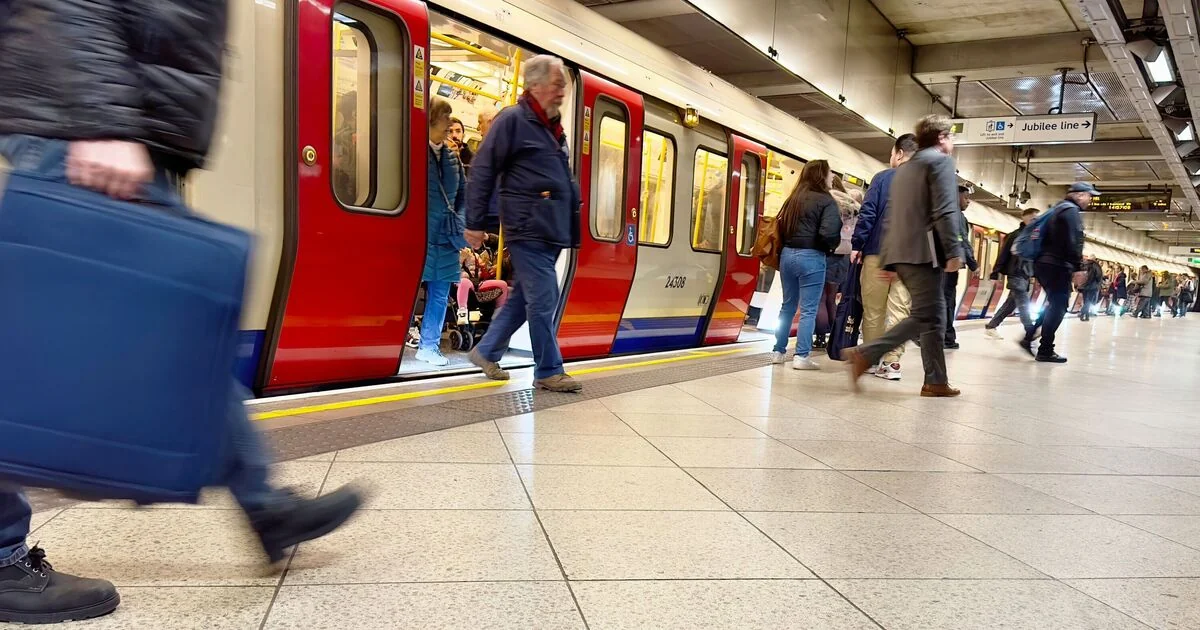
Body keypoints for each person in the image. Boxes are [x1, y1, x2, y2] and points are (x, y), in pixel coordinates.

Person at [0, 0, 362, 623]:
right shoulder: (94, 121)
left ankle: (265, 505)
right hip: (85, 118)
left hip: (116, 118)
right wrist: (100, 119)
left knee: (180, 336)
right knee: (37, 345)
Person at [465, 55, 583, 393]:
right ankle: (548, 369)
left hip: (551, 229)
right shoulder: (513, 120)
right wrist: (475, 222)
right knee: (544, 297)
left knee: (524, 299)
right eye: (556, 84)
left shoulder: (552, 127)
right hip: (527, 227)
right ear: (536, 85)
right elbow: (483, 169)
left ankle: (487, 351)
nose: (562, 91)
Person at [844, 115, 966, 397]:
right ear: (941, 138)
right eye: (950, 136)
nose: (952, 142)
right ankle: (865, 354)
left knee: (932, 317)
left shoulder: (904, 169)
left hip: (901, 253)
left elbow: (893, 217)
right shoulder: (941, 162)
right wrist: (953, 250)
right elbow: (945, 210)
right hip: (924, 253)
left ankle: (936, 381)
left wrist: (889, 259)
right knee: (928, 315)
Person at [850, 134, 918, 382]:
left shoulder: (882, 178)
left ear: (899, 153)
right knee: (900, 310)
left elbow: (868, 213)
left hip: (877, 253)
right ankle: (891, 363)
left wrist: (857, 244)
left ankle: (870, 358)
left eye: (892, 153)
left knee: (874, 309)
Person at [768, 160, 842, 370]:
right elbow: (829, 233)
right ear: (821, 175)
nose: (832, 176)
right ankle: (801, 356)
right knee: (809, 309)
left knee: (787, 306)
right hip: (811, 256)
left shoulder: (793, 199)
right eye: (829, 172)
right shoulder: (827, 201)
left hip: (787, 255)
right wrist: (830, 247)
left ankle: (778, 351)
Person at [416, 98, 470, 366]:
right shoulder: (414, 151)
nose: (448, 125)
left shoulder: (452, 158)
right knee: (409, 291)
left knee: (440, 293)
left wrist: (460, 223)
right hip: (419, 233)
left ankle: (429, 345)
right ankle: (396, 342)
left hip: (446, 235)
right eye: (444, 120)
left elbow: (463, 196)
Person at [1019, 182, 1093, 362]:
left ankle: (1029, 337)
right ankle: (1045, 350)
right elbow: (1074, 240)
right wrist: (1079, 268)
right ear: (1079, 195)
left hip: (1044, 263)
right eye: (1089, 196)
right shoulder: (1071, 211)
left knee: (1054, 304)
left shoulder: (1058, 208)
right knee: (1059, 306)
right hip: (1057, 265)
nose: (1090, 200)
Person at [814, 178, 861, 349]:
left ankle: (820, 337)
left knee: (820, 298)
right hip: (844, 256)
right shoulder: (853, 206)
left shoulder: (829, 202)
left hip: (828, 253)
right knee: (832, 298)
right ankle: (835, 337)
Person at [983, 208, 1038, 339]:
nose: (1036, 222)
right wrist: (995, 273)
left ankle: (991, 326)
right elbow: (1003, 254)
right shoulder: (1015, 235)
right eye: (1033, 219)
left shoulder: (1032, 236)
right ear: (1025, 219)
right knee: (1023, 303)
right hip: (1015, 273)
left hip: (1025, 275)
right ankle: (1030, 330)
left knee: (1011, 304)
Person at [943, 185, 979, 348]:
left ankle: (940, 336)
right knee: (947, 301)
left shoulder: (942, 211)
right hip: (949, 264)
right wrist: (973, 264)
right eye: (966, 197)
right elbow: (961, 239)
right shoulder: (956, 215)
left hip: (939, 264)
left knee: (942, 300)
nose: (968, 201)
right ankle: (946, 337)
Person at [1078, 255, 1103, 321]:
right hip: (1093, 287)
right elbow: (1098, 276)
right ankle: (1082, 313)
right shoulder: (1096, 266)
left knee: (1085, 301)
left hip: (1084, 286)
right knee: (1089, 301)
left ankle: (1087, 316)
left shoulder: (1084, 264)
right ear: (1094, 259)